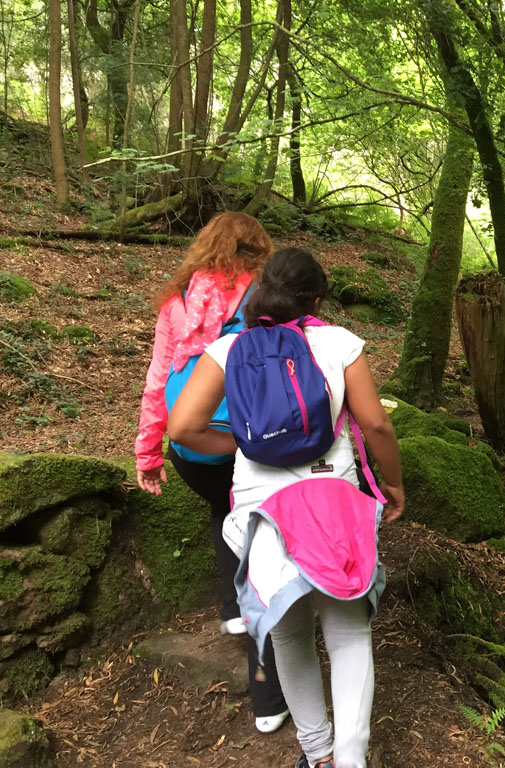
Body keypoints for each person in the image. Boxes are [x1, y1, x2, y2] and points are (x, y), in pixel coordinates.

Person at [166, 248, 404, 768]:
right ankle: (350, 760)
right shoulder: (339, 342)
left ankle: (316, 755)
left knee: (288, 632)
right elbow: (377, 424)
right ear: (315, 297)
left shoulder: (229, 350)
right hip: (332, 500)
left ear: (257, 296)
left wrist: (242, 446)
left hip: (262, 508)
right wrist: (394, 487)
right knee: (347, 631)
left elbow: (182, 427)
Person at [133, 211, 288, 734]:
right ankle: (268, 697)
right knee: (263, 544)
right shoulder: (265, 295)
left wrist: (147, 453)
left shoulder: (177, 300)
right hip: (243, 440)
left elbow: (158, 379)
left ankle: (229, 606)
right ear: (255, 251)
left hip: (188, 445)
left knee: (227, 510)